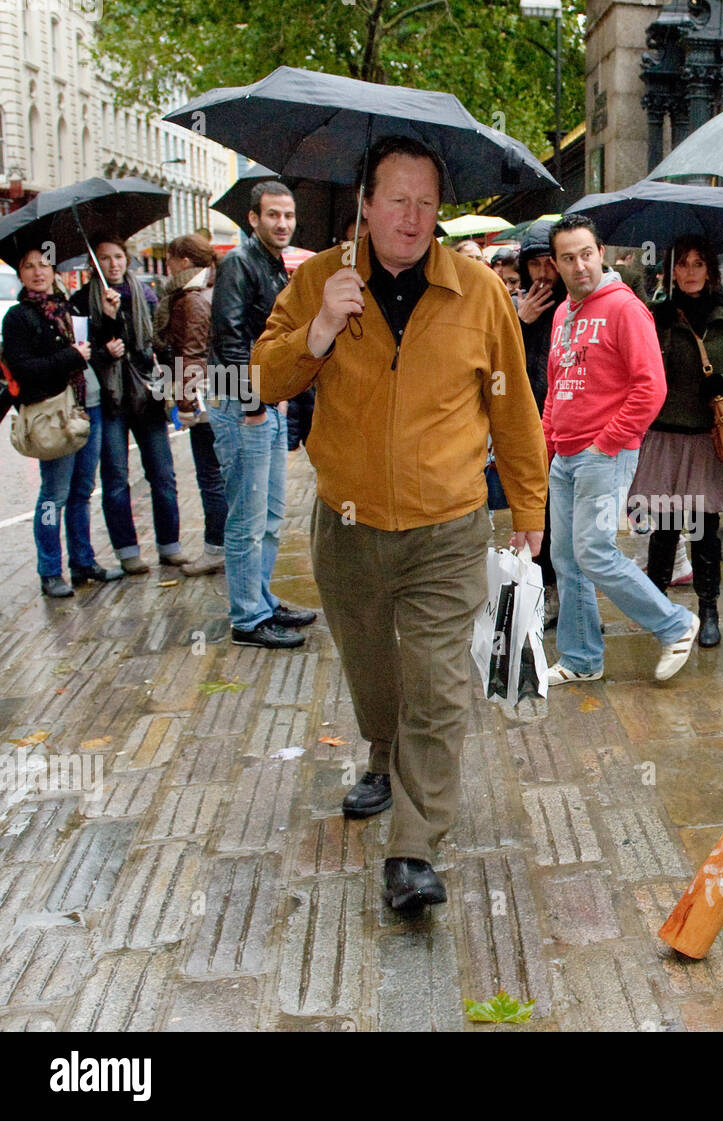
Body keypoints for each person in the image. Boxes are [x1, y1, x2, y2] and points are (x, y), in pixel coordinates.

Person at [254, 135, 548, 913]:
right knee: (372, 672)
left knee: (438, 683)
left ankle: (415, 847)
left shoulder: (478, 292)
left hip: (445, 528)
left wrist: (529, 507)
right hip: (346, 525)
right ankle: (381, 752)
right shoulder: (321, 277)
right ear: (366, 203)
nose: (414, 218)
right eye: (398, 200)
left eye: (427, 202)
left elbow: (513, 407)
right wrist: (318, 329)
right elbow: (263, 376)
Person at [543, 213, 700, 685]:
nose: (579, 266)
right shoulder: (561, 313)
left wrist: (606, 442)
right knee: (566, 560)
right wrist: (550, 440)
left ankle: (674, 623)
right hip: (565, 455)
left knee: (592, 552)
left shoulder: (624, 308)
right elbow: (556, 385)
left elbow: (650, 387)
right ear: (555, 263)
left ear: (601, 254)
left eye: (586, 255)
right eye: (567, 258)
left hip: (602, 454)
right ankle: (581, 658)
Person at [208, 180, 316, 649]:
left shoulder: (274, 265)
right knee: (246, 520)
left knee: (270, 516)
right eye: (273, 215)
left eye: (289, 216)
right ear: (253, 218)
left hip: (265, 404)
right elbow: (228, 338)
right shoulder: (238, 262)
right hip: (242, 406)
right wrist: (252, 403)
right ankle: (247, 619)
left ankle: (263, 601)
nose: (283, 223)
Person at [631, 234, 723, 648]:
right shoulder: (655, 314)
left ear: (710, 269)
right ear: (671, 270)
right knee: (663, 529)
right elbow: (635, 369)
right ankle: (659, 609)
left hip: (703, 437)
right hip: (664, 433)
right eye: (683, 264)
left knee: (705, 531)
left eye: (699, 264)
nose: (691, 272)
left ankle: (709, 610)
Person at [3, 248, 122, 596]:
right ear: (21, 274)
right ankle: (50, 569)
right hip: (52, 414)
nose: (38, 272)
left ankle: (83, 561)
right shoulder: (18, 317)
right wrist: (68, 356)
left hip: (87, 408)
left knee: (82, 492)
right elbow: (24, 368)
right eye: (29, 266)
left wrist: (111, 320)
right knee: (53, 495)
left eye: (44, 264)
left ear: (54, 270)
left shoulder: (68, 308)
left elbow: (90, 354)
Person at [70, 238, 191, 575]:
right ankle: (128, 551)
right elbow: (83, 351)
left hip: (146, 396)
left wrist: (175, 382)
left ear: (127, 259)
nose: (113, 264)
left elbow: (156, 344)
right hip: (109, 401)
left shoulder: (145, 295)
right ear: (95, 265)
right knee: (115, 478)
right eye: (105, 258)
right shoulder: (81, 302)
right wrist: (106, 325)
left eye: (119, 257)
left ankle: (170, 546)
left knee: (163, 474)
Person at [154, 234, 225, 577]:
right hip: (218, 392)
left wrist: (185, 403)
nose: (167, 267)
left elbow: (191, 355)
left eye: (170, 260)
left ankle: (216, 547)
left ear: (184, 261)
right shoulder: (207, 288)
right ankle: (222, 544)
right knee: (218, 475)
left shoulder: (193, 298)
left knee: (211, 476)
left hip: (205, 399)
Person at [516, 219, 565, 624]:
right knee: (538, 513)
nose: (543, 274)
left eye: (550, 263)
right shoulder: (516, 303)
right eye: (535, 265)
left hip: (571, 426)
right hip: (530, 424)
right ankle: (545, 591)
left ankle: (575, 597)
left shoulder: (577, 305)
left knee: (573, 520)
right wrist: (520, 321)